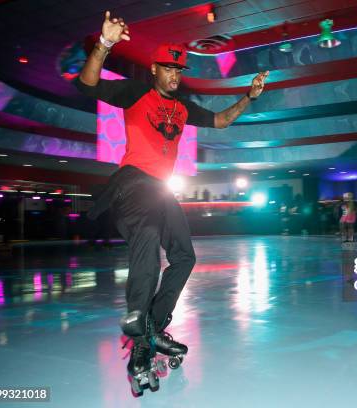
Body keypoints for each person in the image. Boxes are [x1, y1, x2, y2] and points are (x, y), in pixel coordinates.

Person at [74, 11, 269, 382]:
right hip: (134, 183)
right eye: (168, 69)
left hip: (162, 189)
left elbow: (222, 120)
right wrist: (105, 44)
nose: (174, 76)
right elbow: (88, 84)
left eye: (179, 71)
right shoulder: (137, 92)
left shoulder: (182, 108)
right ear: (154, 70)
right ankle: (136, 316)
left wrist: (248, 96)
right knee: (146, 233)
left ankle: (151, 326)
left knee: (184, 255)